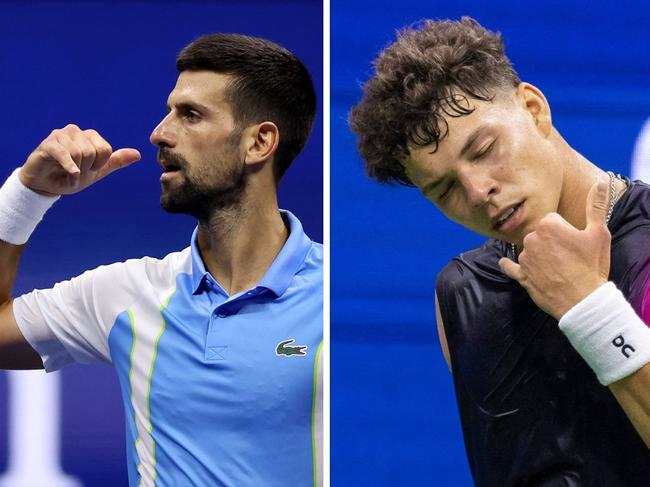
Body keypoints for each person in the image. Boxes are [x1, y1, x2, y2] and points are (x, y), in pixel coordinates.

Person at [0, 33, 322, 486]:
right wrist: (26, 195)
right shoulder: (123, 294)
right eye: (170, 111)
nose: (160, 133)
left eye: (190, 115)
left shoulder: (334, 300)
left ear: (259, 143)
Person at [349, 16, 650, 487]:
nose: (477, 190)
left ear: (533, 108)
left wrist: (590, 309)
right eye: (444, 189)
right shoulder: (462, 295)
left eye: (485, 148)